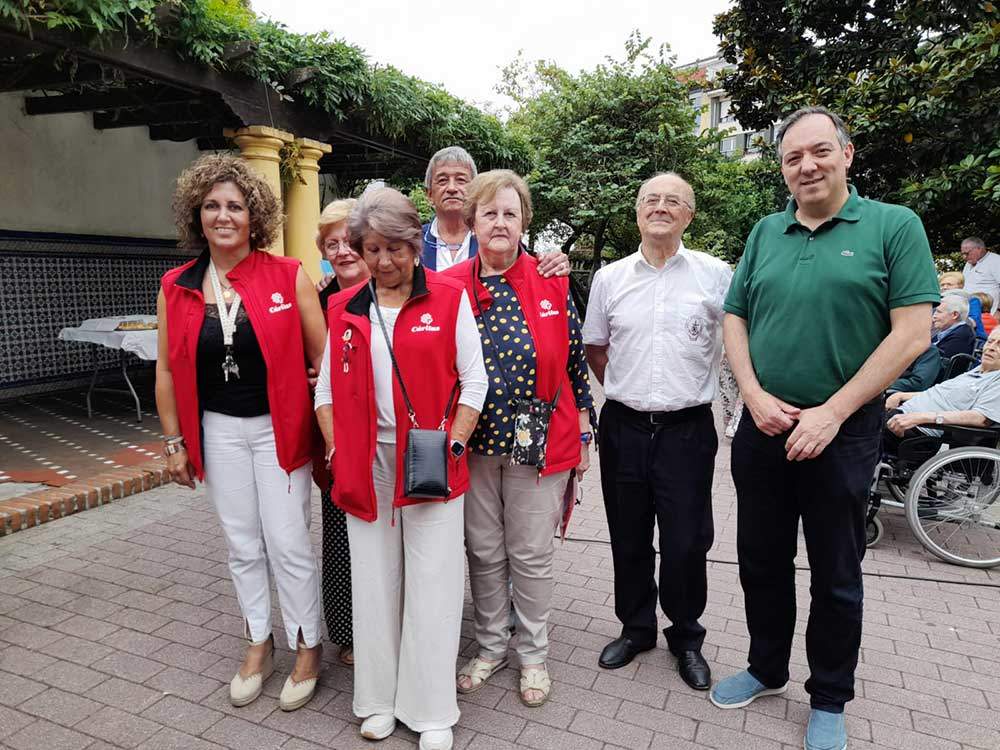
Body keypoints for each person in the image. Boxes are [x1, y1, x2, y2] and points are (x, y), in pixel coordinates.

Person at [714, 106, 939, 750]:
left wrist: (833, 412)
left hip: (844, 429)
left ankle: (831, 696)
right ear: (782, 170)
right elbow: (736, 319)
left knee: (837, 568)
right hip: (764, 424)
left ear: (846, 154)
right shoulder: (765, 231)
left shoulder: (893, 226)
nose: (806, 165)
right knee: (761, 558)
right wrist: (753, 396)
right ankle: (765, 667)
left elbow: (912, 333)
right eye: (791, 158)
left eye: (818, 152)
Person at [314, 187, 487, 750]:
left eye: (395, 248)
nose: (383, 261)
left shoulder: (447, 296)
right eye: (371, 249)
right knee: (374, 583)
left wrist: (454, 445)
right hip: (368, 465)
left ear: (415, 245)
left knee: (434, 584)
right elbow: (324, 391)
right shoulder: (343, 307)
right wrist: (338, 449)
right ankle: (379, 700)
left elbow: (475, 381)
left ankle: (431, 709)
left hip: (431, 462)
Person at [156, 154, 327, 711]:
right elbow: (164, 368)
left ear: (254, 217)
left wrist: (323, 413)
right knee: (242, 543)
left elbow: (322, 357)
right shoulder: (177, 285)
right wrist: (175, 441)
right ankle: (259, 640)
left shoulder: (286, 275)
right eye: (211, 206)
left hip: (280, 430)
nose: (223, 216)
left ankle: (307, 644)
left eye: (234, 206)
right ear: (196, 216)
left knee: (288, 542)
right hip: (218, 431)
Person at [442, 170, 593, 708]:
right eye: (490, 213)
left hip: (538, 443)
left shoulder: (552, 280)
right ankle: (489, 646)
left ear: (523, 221)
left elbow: (575, 364)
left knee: (529, 554)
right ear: (472, 221)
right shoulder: (451, 284)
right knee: (483, 550)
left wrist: (586, 429)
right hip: (473, 444)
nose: (500, 222)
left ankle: (532, 653)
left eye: (510, 213)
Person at [583, 172, 731, 691]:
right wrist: (624, 390)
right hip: (624, 426)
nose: (660, 207)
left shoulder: (716, 276)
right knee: (628, 535)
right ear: (637, 211)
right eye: (650, 199)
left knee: (688, 540)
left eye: (673, 201)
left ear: (689, 215)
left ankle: (687, 636)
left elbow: (734, 340)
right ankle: (637, 627)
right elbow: (596, 348)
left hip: (687, 429)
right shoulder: (610, 278)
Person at [313, 198, 366, 667]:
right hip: (335, 433)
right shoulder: (318, 299)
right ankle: (348, 631)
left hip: (387, 437)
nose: (343, 251)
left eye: (350, 240)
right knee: (339, 531)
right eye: (333, 243)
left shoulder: (394, 287)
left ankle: (389, 620)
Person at [420, 145, 572, 277]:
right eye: (442, 180)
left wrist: (554, 264)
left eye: (461, 180)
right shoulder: (412, 243)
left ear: (474, 191)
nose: (452, 188)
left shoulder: (501, 241)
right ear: (429, 194)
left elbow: (535, 271)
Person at [885, 327, 1000, 443]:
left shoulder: (997, 380)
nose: (991, 348)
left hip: (918, 429)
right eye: (990, 341)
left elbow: (981, 418)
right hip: (902, 414)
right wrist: (901, 395)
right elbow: (942, 394)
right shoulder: (979, 370)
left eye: (999, 345)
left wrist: (923, 417)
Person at [961, 236, 1000, 313]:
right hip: (969, 311)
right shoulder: (969, 263)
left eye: (967, 253)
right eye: (962, 254)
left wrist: (999, 310)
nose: (964, 257)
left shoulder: (996, 261)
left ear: (979, 249)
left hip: (989, 312)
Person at [932, 293, 976, 358]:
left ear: (955, 315)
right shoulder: (947, 331)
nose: (934, 316)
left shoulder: (961, 335)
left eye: (939, 312)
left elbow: (936, 362)